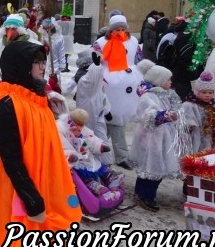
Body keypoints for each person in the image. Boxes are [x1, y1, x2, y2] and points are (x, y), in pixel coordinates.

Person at [0, 41, 81, 247]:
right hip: (12, 193)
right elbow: (11, 160)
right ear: (20, 65)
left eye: (43, 62)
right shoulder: (5, 106)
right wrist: (31, 199)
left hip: (40, 187)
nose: (42, 67)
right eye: (36, 62)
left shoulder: (37, 101)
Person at [129, 60, 182, 212]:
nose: (171, 82)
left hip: (163, 137)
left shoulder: (166, 94)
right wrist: (163, 116)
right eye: (168, 79)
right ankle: (145, 195)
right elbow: (147, 114)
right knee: (151, 167)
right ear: (159, 81)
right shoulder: (148, 97)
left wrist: (176, 113)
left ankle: (143, 193)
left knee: (155, 168)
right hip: (151, 139)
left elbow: (176, 106)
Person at [92, 14, 143, 170]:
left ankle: (96, 149)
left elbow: (139, 60)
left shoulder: (133, 41)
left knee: (115, 120)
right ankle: (118, 155)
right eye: (117, 29)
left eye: (123, 28)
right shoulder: (101, 43)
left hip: (128, 86)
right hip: (109, 85)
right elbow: (93, 62)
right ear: (111, 29)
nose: (120, 31)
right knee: (111, 119)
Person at [57, 109, 123, 200]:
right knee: (78, 170)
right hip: (71, 158)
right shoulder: (60, 128)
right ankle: (90, 184)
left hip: (82, 155)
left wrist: (99, 146)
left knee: (95, 163)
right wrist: (69, 155)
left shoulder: (81, 128)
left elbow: (90, 138)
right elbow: (61, 145)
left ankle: (108, 177)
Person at [182, 71, 215, 151]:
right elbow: (186, 118)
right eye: (204, 92)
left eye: (210, 92)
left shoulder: (213, 105)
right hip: (194, 137)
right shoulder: (189, 105)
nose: (207, 95)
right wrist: (189, 125)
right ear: (196, 92)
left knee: (209, 153)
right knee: (195, 153)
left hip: (210, 137)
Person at [0, 14, 31, 91]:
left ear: (19, 29)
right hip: (2, 92)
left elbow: (41, 69)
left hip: (25, 93)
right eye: (7, 28)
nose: (9, 31)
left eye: (13, 28)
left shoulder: (32, 45)